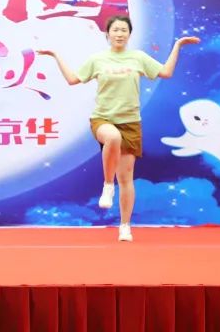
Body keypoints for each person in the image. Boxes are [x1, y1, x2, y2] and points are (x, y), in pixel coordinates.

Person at [38, 16, 199, 242]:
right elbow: (73, 79)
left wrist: (178, 45)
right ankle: (107, 185)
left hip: (130, 123)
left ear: (129, 34)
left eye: (124, 30)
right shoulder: (97, 59)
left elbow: (165, 73)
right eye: (115, 30)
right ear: (108, 34)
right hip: (103, 119)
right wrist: (56, 56)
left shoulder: (138, 58)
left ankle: (125, 226)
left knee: (126, 178)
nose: (120, 34)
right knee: (112, 137)